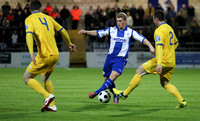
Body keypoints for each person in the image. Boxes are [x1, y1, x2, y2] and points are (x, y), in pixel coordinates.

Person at [113, 10, 187, 109]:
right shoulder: (169, 28)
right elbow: (176, 43)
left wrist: (159, 63)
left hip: (163, 60)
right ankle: (182, 101)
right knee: (164, 83)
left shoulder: (159, 30)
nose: (153, 21)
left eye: (153, 19)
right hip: (171, 61)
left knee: (139, 70)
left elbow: (159, 47)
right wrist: (169, 52)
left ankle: (124, 94)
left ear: (156, 19)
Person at [78, 12, 155, 103]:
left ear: (125, 21)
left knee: (114, 75)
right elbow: (98, 32)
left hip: (120, 59)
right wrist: (86, 32)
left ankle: (96, 92)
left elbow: (143, 39)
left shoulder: (130, 32)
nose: (118, 23)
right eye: (117, 21)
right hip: (110, 58)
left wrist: (151, 47)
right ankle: (115, 96)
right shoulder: (111, 30)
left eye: (120, 21)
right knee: (107, 80)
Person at [23, 0, 77, 112]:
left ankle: (47, 96)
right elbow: (63, 30)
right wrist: (69, 43)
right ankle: (52, 105)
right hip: (55, 55)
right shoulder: (48, 18)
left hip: (44, 55)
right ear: (41, 9)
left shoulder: (29, 19)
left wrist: (31, 52)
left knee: (27, 78)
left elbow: (29, 35)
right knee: (45, 77)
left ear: (30, 10)